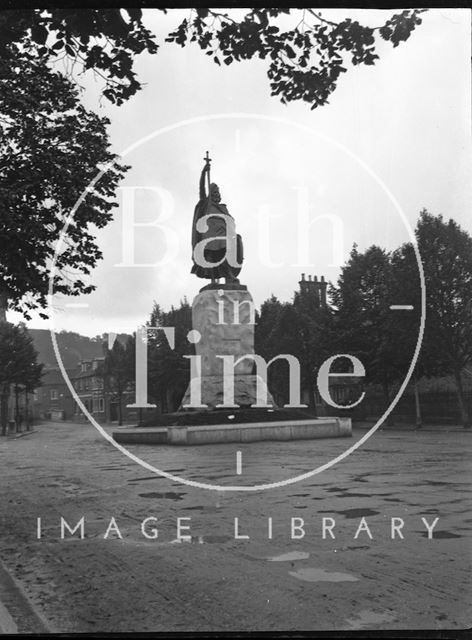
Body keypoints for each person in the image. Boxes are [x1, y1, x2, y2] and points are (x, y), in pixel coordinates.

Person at [191, 163, 243, 285]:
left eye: (218, 192)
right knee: (211, 257)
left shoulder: (223, 208)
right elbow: (201, 188)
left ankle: (228, 276)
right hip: (210, 234)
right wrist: (204, 172)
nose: (216, 194)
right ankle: (214, 280)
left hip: (223, 234)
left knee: (227, 252)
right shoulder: (206, 204)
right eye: (214, 192)